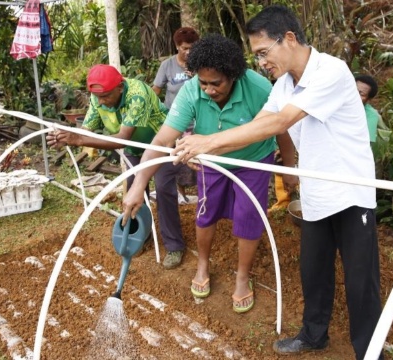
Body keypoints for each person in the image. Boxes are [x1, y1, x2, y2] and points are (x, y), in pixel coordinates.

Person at [171, 6, 383, 359]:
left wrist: (206, 142)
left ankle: (370, 351)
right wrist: (207, 149)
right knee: (314, 272)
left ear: (288, 38)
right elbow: (259, 122)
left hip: (350, 193)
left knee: (361, 281)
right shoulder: (284, 84)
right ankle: (314, 336)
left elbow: (280, 122)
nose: (261, 63)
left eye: (263, 53)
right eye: (257, 56)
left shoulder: (330, 71)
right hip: (315, 191)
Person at [121, 34, 296, 314]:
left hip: (252, 160)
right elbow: (162, 140)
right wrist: (139, 183)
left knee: (248, 218)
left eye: (217, 83)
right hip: (210, 162)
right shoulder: (192, 91)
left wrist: (289, 167)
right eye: (204, 83)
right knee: (206, 213)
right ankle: (203, 264)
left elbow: (281, 129)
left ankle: (242, 277)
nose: (209, 90)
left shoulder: (259, 87)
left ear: (234, 76)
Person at [46, 64, 187, 270]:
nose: (101, 101)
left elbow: (122, 139)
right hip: (135, 149)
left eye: (106, 96)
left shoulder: (137, 94)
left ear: (120, 87)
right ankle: (141, 235)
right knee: (134, 193)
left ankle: (174, 245)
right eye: (98, 97)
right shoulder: (98, 96)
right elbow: (87, 130)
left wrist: (78, 139)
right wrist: (68, 139)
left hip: (160, 144)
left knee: (164, 189)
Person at [152, 27, 200, 205]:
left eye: (192, 48)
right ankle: (180, 195)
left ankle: (201, 191)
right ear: (177, 46)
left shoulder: (200, 64)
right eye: (184, 48)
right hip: (174, 122)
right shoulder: (167, 65)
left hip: (197, 121)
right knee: (175, 158)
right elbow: (156, 90)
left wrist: (196, 75)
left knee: (196, 158)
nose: (188, 52)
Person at [355, 74, 381, 143]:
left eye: (361, 94)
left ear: (368, 99)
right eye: (354, 90)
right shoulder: (335, 104)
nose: (355, 95)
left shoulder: (371, 115)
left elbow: (365, 143)